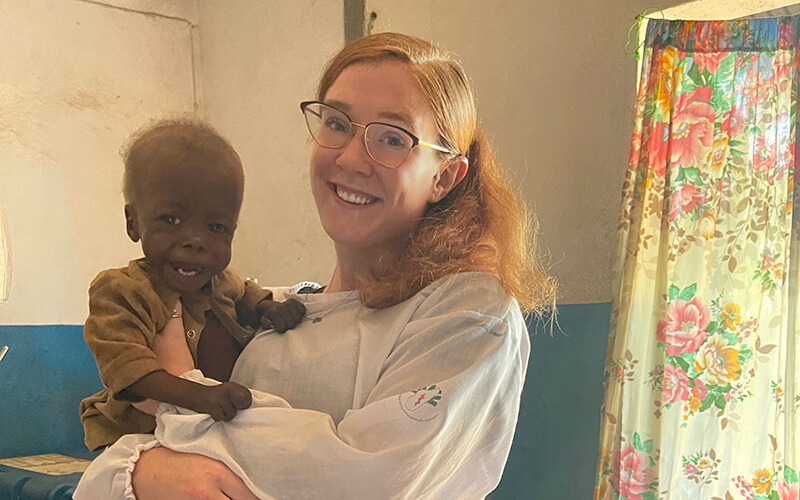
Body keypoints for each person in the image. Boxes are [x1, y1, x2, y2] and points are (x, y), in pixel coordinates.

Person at [74, 32, 556, 499]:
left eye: (392, 138)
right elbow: (107, 475)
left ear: (444, 176)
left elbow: (373, 481)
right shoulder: (278, 313)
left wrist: (182, 393)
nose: (350, 157)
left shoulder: (465, 312)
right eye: (338, 124)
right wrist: (143, 472)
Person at [79, 120, 305, 452]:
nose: (196, 241)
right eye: (171, 220)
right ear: (133, 222)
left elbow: (246, 295)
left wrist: (269, 309)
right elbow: (127, 369)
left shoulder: (220, 282)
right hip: (137, 438)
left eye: (216, 227)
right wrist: (201, 397)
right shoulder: (122, 291)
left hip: (211, 430)